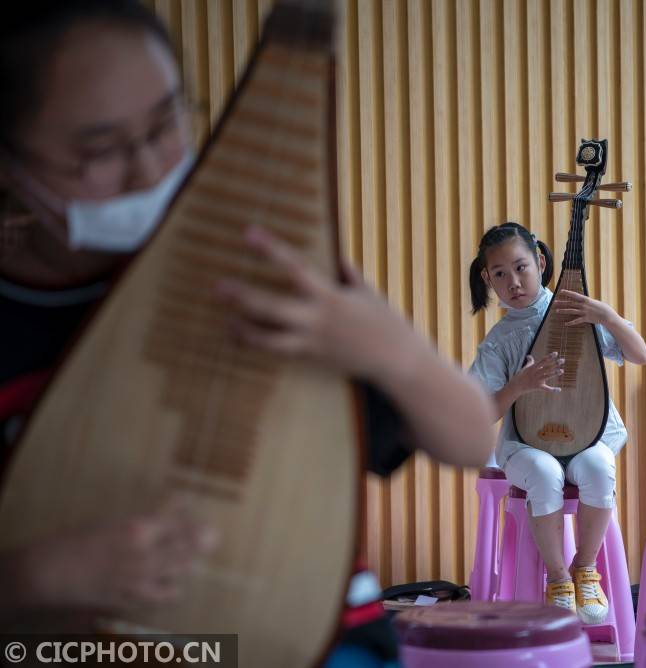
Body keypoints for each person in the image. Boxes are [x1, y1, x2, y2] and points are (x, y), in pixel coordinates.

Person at [0, 0, 494, 637]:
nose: (151, 168)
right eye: (100, 151)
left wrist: (387, 349)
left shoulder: (266, 274)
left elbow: (472, 440)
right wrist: (38, 576)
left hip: (319, 636)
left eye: (165, 125)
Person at [467, 221, 646, 624]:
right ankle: (558, 577)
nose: (513, 281)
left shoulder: (574, 313)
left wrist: (608, 316)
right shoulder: (499, 341)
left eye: (521, 267)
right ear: (487, 278)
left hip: (589, 438)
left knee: (600, 466)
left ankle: (586, 569)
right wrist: (520, 385)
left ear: (541, 261)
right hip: (525, 445)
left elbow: (640, 355)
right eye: (500, 274)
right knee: (545, 472)